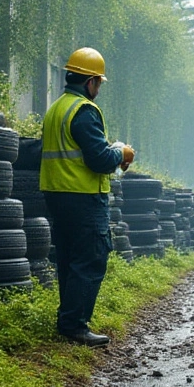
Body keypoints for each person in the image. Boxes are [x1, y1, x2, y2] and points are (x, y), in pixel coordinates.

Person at [40, 47, 135, 347]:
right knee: (91, 258)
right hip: (83, 196)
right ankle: (75, 325)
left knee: (69, 259)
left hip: (57, 194)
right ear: (91, 81)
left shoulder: (57, 108)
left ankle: (67, 319)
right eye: (99, 84)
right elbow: (98, 159)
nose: (99, 90)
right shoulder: (84, 110)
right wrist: (121, 152)